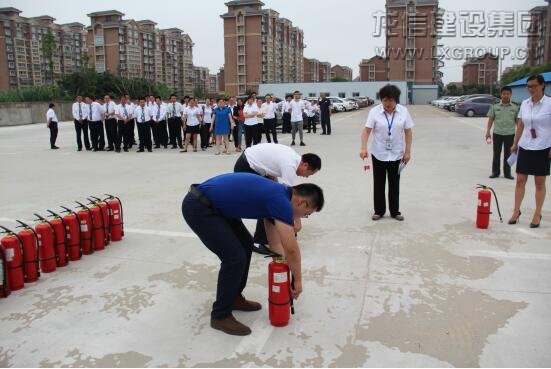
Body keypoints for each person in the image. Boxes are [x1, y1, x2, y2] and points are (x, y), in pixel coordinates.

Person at [182, 172, 324, 335]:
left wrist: (281, 266)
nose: (303, 217)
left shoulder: (280, 194)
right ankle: (220, 315)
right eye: (306, 214)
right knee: (234, 258)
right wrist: (297, 281)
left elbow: (275, 242)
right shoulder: (281, 202)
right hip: (200, 207)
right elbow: (291, 249)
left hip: (218, 207)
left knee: (245, 245)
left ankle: (234, 297)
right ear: (302, 202)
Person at [234, 143, 322, 250]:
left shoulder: (293, 157)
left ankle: (276, 235)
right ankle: (260, 242)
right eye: (309, 173)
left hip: (254, 165)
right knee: (268, 204)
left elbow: (272, 171)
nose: (307, 177)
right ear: (305, 165)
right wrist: (297, 222)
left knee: (272, 200)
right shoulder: (290, 165)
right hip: (247, 168)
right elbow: (287, 197)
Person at [360, 84, 413, 221]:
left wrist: (407, 152)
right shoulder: (374, 112)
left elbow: (408, 132)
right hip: (378, 153)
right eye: (384, 100)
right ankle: (379, 211)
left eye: (390, 100)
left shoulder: (404, 111)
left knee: (394, 183)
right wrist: (363, 148)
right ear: (381, 100)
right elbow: (367, 131)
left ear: (396, 100)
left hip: (397, 154)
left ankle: (395, 211)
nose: (387, 103)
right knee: (378, 183)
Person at [509, 74, 551, 228]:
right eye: (529, 86)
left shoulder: (549, 103)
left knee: (539, 183)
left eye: (534, 86)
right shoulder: (525, 104)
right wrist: (515, 144)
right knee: (520, 181)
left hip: (543, 147)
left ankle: (537, 213)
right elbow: (521, 125)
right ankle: (516, 211)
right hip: (526, 146)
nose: (531, 89)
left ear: (542, 85)